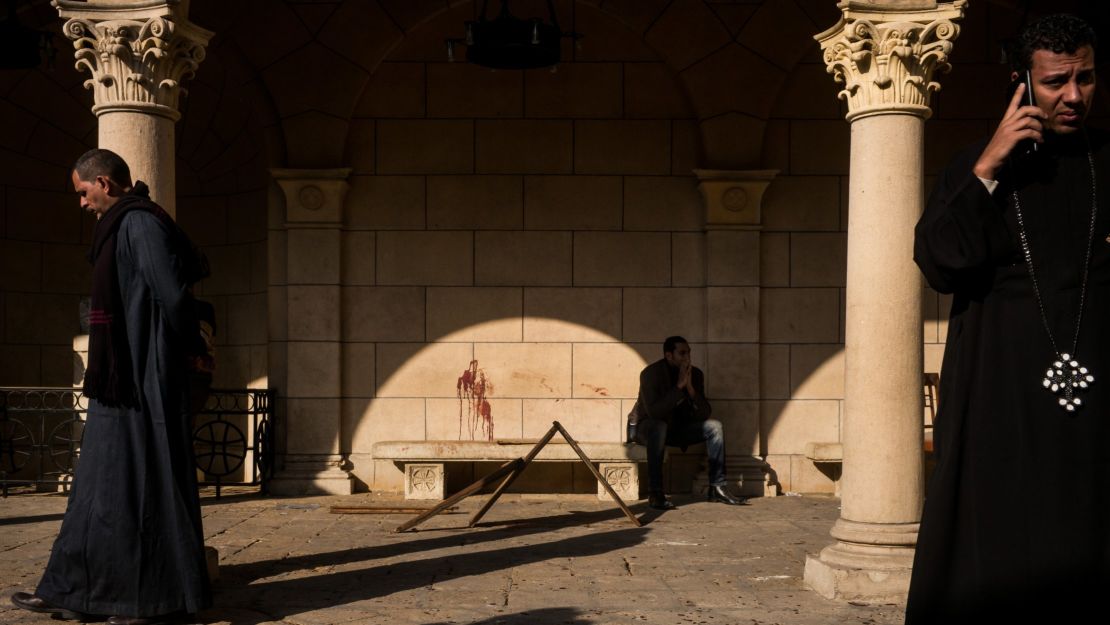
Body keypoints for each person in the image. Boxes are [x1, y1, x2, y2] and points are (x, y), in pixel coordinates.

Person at [908, 14, 1110, 624]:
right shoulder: (976, 166)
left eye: (1087, 78)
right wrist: (988, 167)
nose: (1074, 95)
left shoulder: (1106, 161)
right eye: (1055, 82)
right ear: (1023, 82)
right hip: (999, 394)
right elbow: (940, 261)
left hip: (1096, 400)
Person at [10, 150, 212, 625]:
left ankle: (144, 602)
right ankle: (71, 592)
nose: (81, 203)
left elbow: (173, 296)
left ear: (103, 182)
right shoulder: (119, 225)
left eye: (83, 192)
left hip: (144, 378)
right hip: (119, 379)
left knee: (144, 486)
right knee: (98, 490)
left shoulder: (139, 224)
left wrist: (191, 352)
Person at [631, 336, 747, 510]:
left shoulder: (696, 374)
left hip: (677, 429)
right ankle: (656, 493)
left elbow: (705, 413)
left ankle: (717, 487)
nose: (687, 357)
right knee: (659, 426)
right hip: (649, 429)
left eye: (689, 352)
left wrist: (691, 389)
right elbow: (654, 413)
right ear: (669, 355)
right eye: (682, 353)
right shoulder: (651, 374)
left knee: (715, 427)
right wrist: (678, 387)